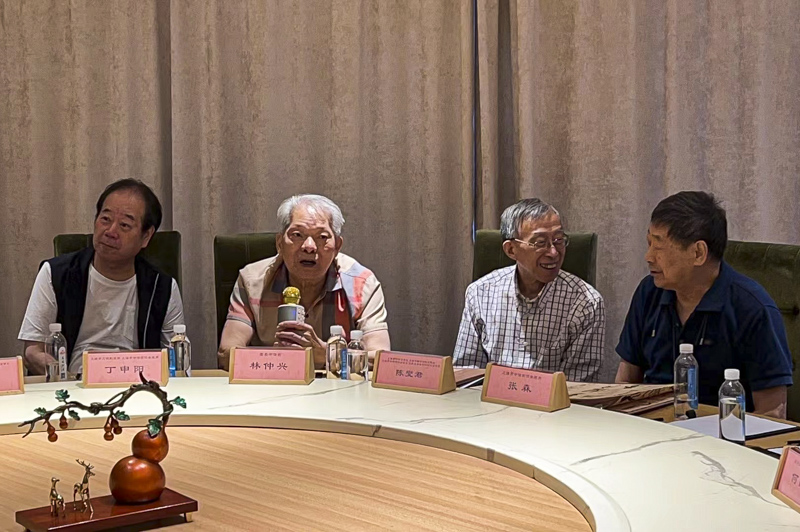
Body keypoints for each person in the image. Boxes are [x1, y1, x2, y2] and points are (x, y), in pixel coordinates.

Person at [615, 191, 792, 418]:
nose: (648, 257)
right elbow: (626, 382)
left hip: (721, 434)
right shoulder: (649, 292)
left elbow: (772, 413)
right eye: (648, 244)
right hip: (651, 429)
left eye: (658, 247)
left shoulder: (753, 308)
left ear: (698, 253)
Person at [19, 179, 184, 375]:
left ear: (146, 236)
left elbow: (178, 361)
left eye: (124, 225)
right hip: (73, 383)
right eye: (105, 219)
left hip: (138, 385)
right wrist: (61, 374)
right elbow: (32, 351)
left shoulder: (162, 287)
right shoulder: (55, 273)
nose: (110, 231)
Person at [218, 194, 391, 370]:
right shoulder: (252, 280)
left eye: (322, 237)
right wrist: (278, 358)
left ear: (337, 246)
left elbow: (380, 360)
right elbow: (226, 354)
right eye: (297, 235)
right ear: (279, 243)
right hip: (273, 383)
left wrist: (326, 354)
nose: (309, 246)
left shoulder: (362, 284)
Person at [453, 198, 604, 382]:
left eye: (558, 240)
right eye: (540, 243)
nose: (554, 252)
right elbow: (466, 372)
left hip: (553, 401)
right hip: (488, 399)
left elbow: (578, 386)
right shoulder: (480, 293)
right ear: (511, 250)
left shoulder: (586, 303)